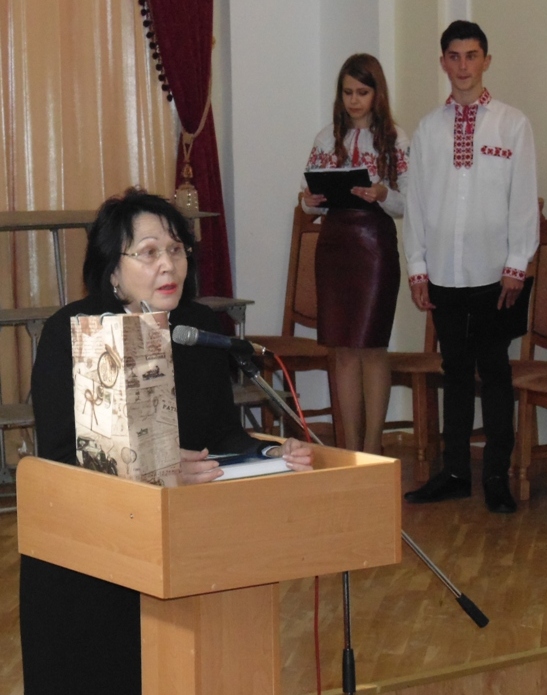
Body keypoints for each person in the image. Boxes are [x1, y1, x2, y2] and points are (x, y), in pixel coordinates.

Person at [20, 188, 314, 694]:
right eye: (149, 252)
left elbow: (220, 432)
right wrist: (153, 466)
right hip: (89, 557)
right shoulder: (70, 332)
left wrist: (270, 452)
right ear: (113, 269)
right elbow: (62, 454)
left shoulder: (197, 327)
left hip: (182, 549)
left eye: (176, 249)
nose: (168, 264)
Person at [402, 20, 539, 513]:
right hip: (444, 273)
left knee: (495, 372)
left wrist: (517, 263)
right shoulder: (428, 129)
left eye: (472, 55)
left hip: (495, 277)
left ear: (486, 60)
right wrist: (417, 266)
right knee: (454, 372)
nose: (463, 66)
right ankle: (456, 472)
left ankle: (496, 476)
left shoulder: (512, 124)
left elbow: (523, 197)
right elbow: (416, 203)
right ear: (443, 62)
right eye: (454, 56)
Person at [301, 53, 409, 455]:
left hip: (374, 246)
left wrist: (382, 193)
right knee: (343, 349)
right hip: (335, 245)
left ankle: (374, 446)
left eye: (362, 92)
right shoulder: (326, 138)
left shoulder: (397, 140)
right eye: (347, 92)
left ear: (377, 93)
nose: (354, 100)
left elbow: (408, 202)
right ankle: (349, 447)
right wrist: (309, 199)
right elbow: (309, 205)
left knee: (372, 347)